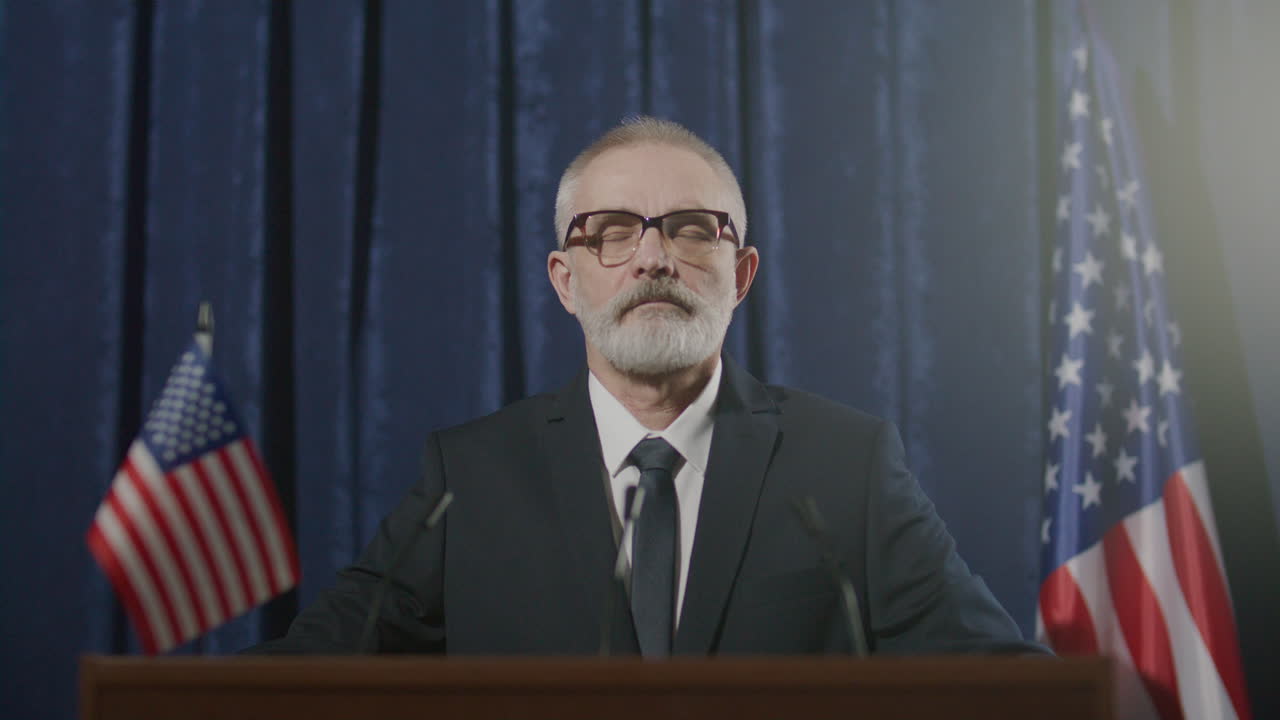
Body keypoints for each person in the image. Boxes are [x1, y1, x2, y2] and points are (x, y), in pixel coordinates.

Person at [249, 116, 1041, 656]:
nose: (654, 258)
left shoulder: (846, 468)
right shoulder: (471, 478)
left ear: (742, 275)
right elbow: (313, 670)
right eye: (612, 232)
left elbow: (1002, 682)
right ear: (565, 280)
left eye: (694, 229)